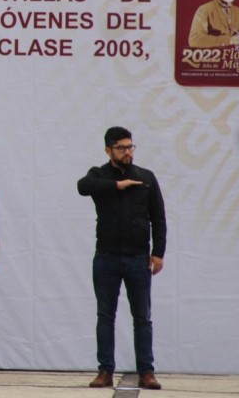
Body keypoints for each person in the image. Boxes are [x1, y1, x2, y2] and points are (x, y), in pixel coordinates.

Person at [77, 127, 167, 391]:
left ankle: (146, 371)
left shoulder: (146, 177)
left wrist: (158, 252)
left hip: (138, 258)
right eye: (121, 148)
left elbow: (158, 217)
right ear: (109, 150)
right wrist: (117, 185)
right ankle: (105, 370)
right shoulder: (99, 175)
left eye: (130, 147)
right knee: (106, 315)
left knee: (143, 317)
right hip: (107, 257)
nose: (127, 152)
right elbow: (82, 187)